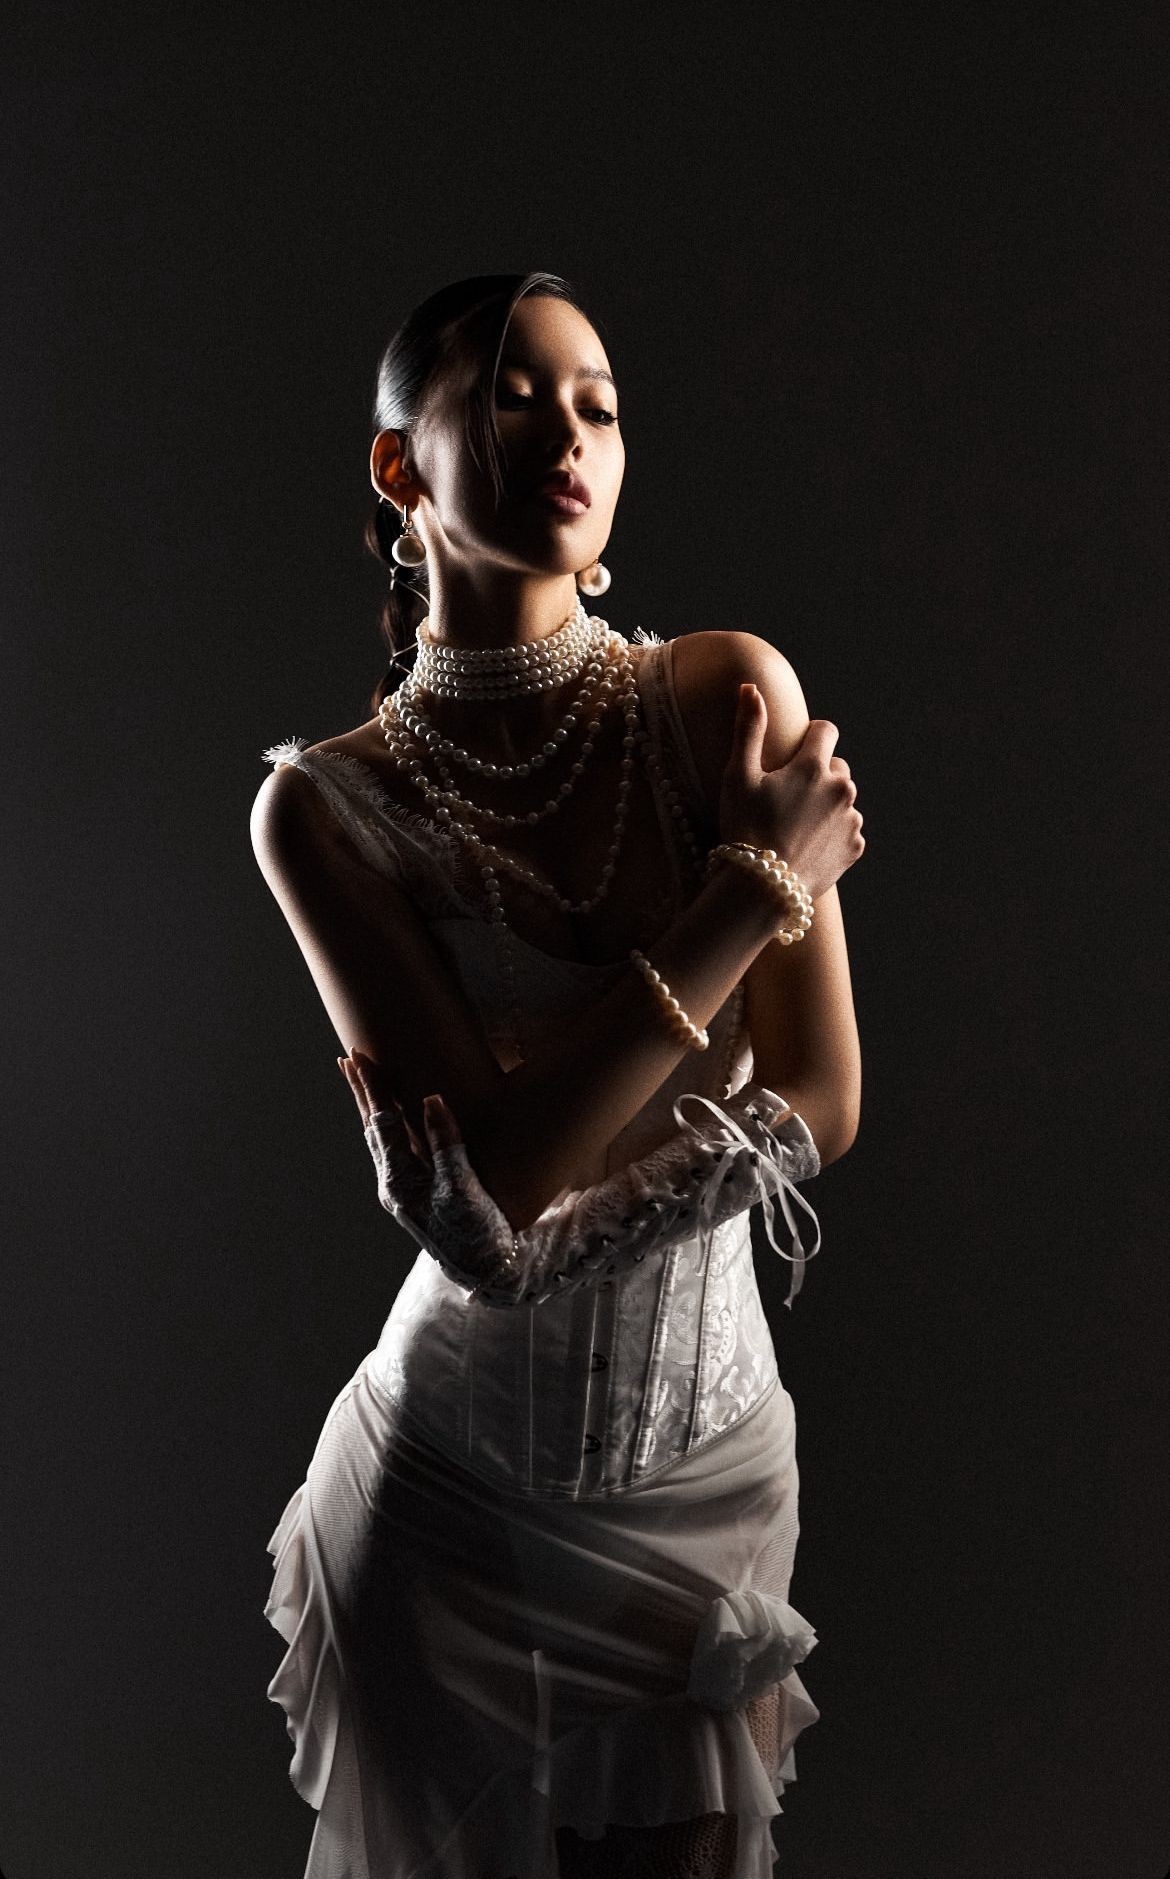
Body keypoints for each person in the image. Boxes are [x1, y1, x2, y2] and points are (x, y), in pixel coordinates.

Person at [251, 270, 864, 1879]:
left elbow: (823, 1100)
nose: (568, 434)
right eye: (517, 397)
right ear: (402, 469)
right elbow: (506, 1170)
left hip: (707, 1466)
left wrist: (530, 1238)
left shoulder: (723, 690)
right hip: (449, 1497)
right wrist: (745, 897)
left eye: (596, 404)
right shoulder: (323, 807)